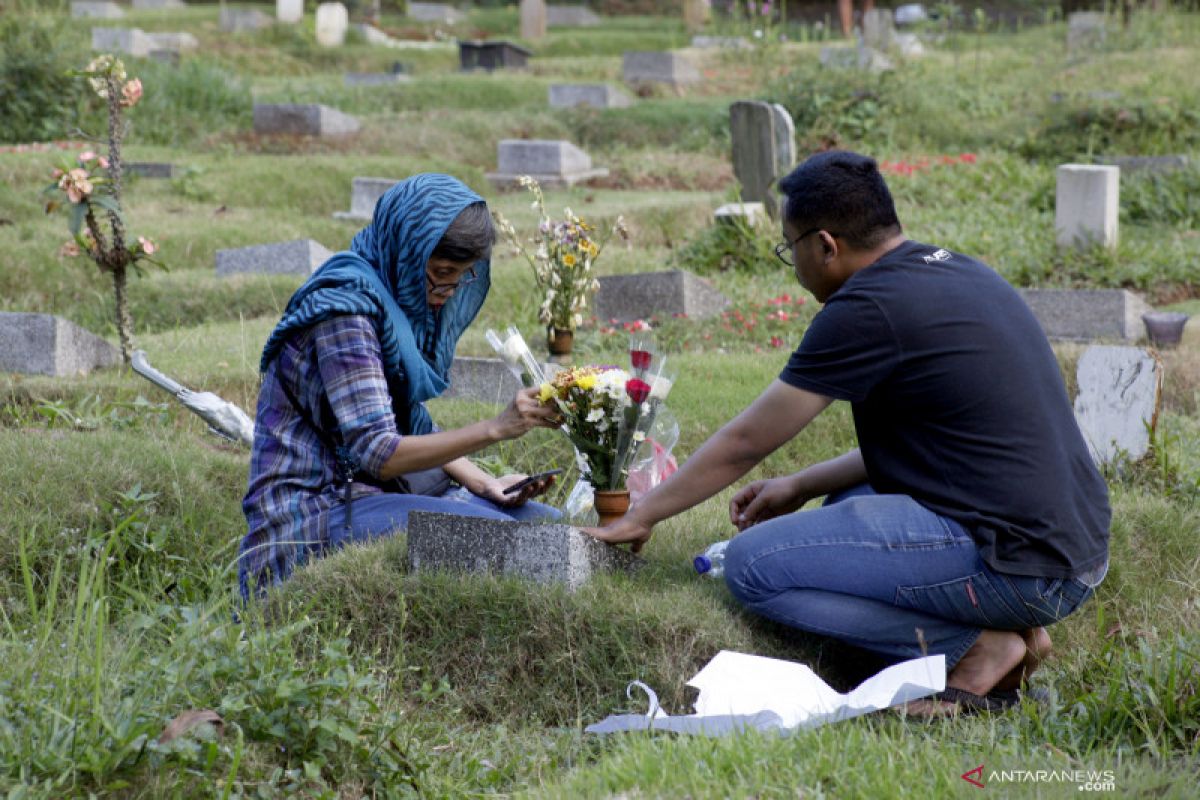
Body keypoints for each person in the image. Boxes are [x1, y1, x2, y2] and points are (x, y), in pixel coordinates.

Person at [588, 151, 1110, 715]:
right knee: (845, 499)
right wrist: (799, 483)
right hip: (1068, 547)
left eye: (790, 248)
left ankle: (979, 648)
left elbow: (746, 442)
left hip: (1018, 561)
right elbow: (940, 439)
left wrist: (643, 514)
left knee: (751, 566)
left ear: (826, 245)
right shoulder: (957, 271)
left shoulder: (866, 307)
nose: (793, 262)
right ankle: (1011, 631)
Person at [239, 174, 561, 601]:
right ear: (408, 253)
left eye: (463, 276)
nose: (448, 291)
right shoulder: (345, 311)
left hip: (374, 495)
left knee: (546, 525)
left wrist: (485, 485)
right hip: (314, 512)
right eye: (442, 273)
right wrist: (497, 427)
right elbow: (380, 452)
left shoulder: (396, 302)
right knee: (498, 538)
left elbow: (414, 426)